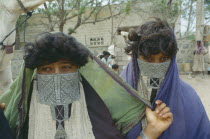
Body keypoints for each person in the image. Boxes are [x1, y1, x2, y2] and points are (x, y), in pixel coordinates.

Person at [0, 32, 173, 139]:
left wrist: (152, 130)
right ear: (36, 74)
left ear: (78, 71)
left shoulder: (97, 114)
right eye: (46, 69)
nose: (57, 75)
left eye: (66, 67)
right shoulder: (19, 122)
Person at [121, 18, 210, 139]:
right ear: (136, 57)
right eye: (148, 59)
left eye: (163, 59)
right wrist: (149, 133)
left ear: (172, 59)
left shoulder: (189, 98)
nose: (156, 66)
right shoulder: (119, 94)